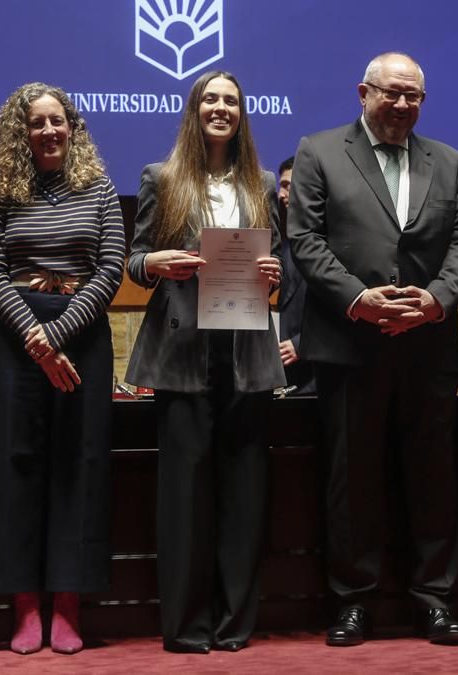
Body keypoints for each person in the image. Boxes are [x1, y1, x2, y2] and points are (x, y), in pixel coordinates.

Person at [286, 52, 458, 646]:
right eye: (391, 94)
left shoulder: (449, 162)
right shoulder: (319, 152)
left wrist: (436, 300)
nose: (402, 105)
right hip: (350, 343)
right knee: (353, 481)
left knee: (433, 477)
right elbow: (305, 240)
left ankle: (435, 599)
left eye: (413, 96)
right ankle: (353, 602)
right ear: (363, 93)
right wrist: (361, 300)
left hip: (428, 343)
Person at [125, 70, 283, 654]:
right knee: (184, 499)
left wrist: (275, 274)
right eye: (211, 99)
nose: (221, 108)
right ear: (194, 110)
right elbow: (134, 261)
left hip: (246, 348)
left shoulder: (262, 182)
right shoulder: (161, 178)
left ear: (243, 114)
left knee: (244, 496)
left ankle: (234, 622)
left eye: (232, 101)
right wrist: (158, 263)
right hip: (184, 351)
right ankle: (187, 626)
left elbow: (279, 265)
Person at [0, 82, 125, 656]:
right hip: (17, 336)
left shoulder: (100, 187)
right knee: (17, 465)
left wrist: (56, 334)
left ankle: (67, 605)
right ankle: (26, 608)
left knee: (79, 465)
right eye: (35, 123)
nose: (48, 131)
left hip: (81, 335)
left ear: (73, 127)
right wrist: (35, 338)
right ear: (20, 132)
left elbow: (110, 269)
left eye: (57, 121)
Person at [275, 156, 314, 394]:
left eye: (288, 185)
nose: (280, 194)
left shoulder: (341, 244)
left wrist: (301, 344)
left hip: (325, 374)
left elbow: (349, 310)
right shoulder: (287, 247)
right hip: (291, 378)